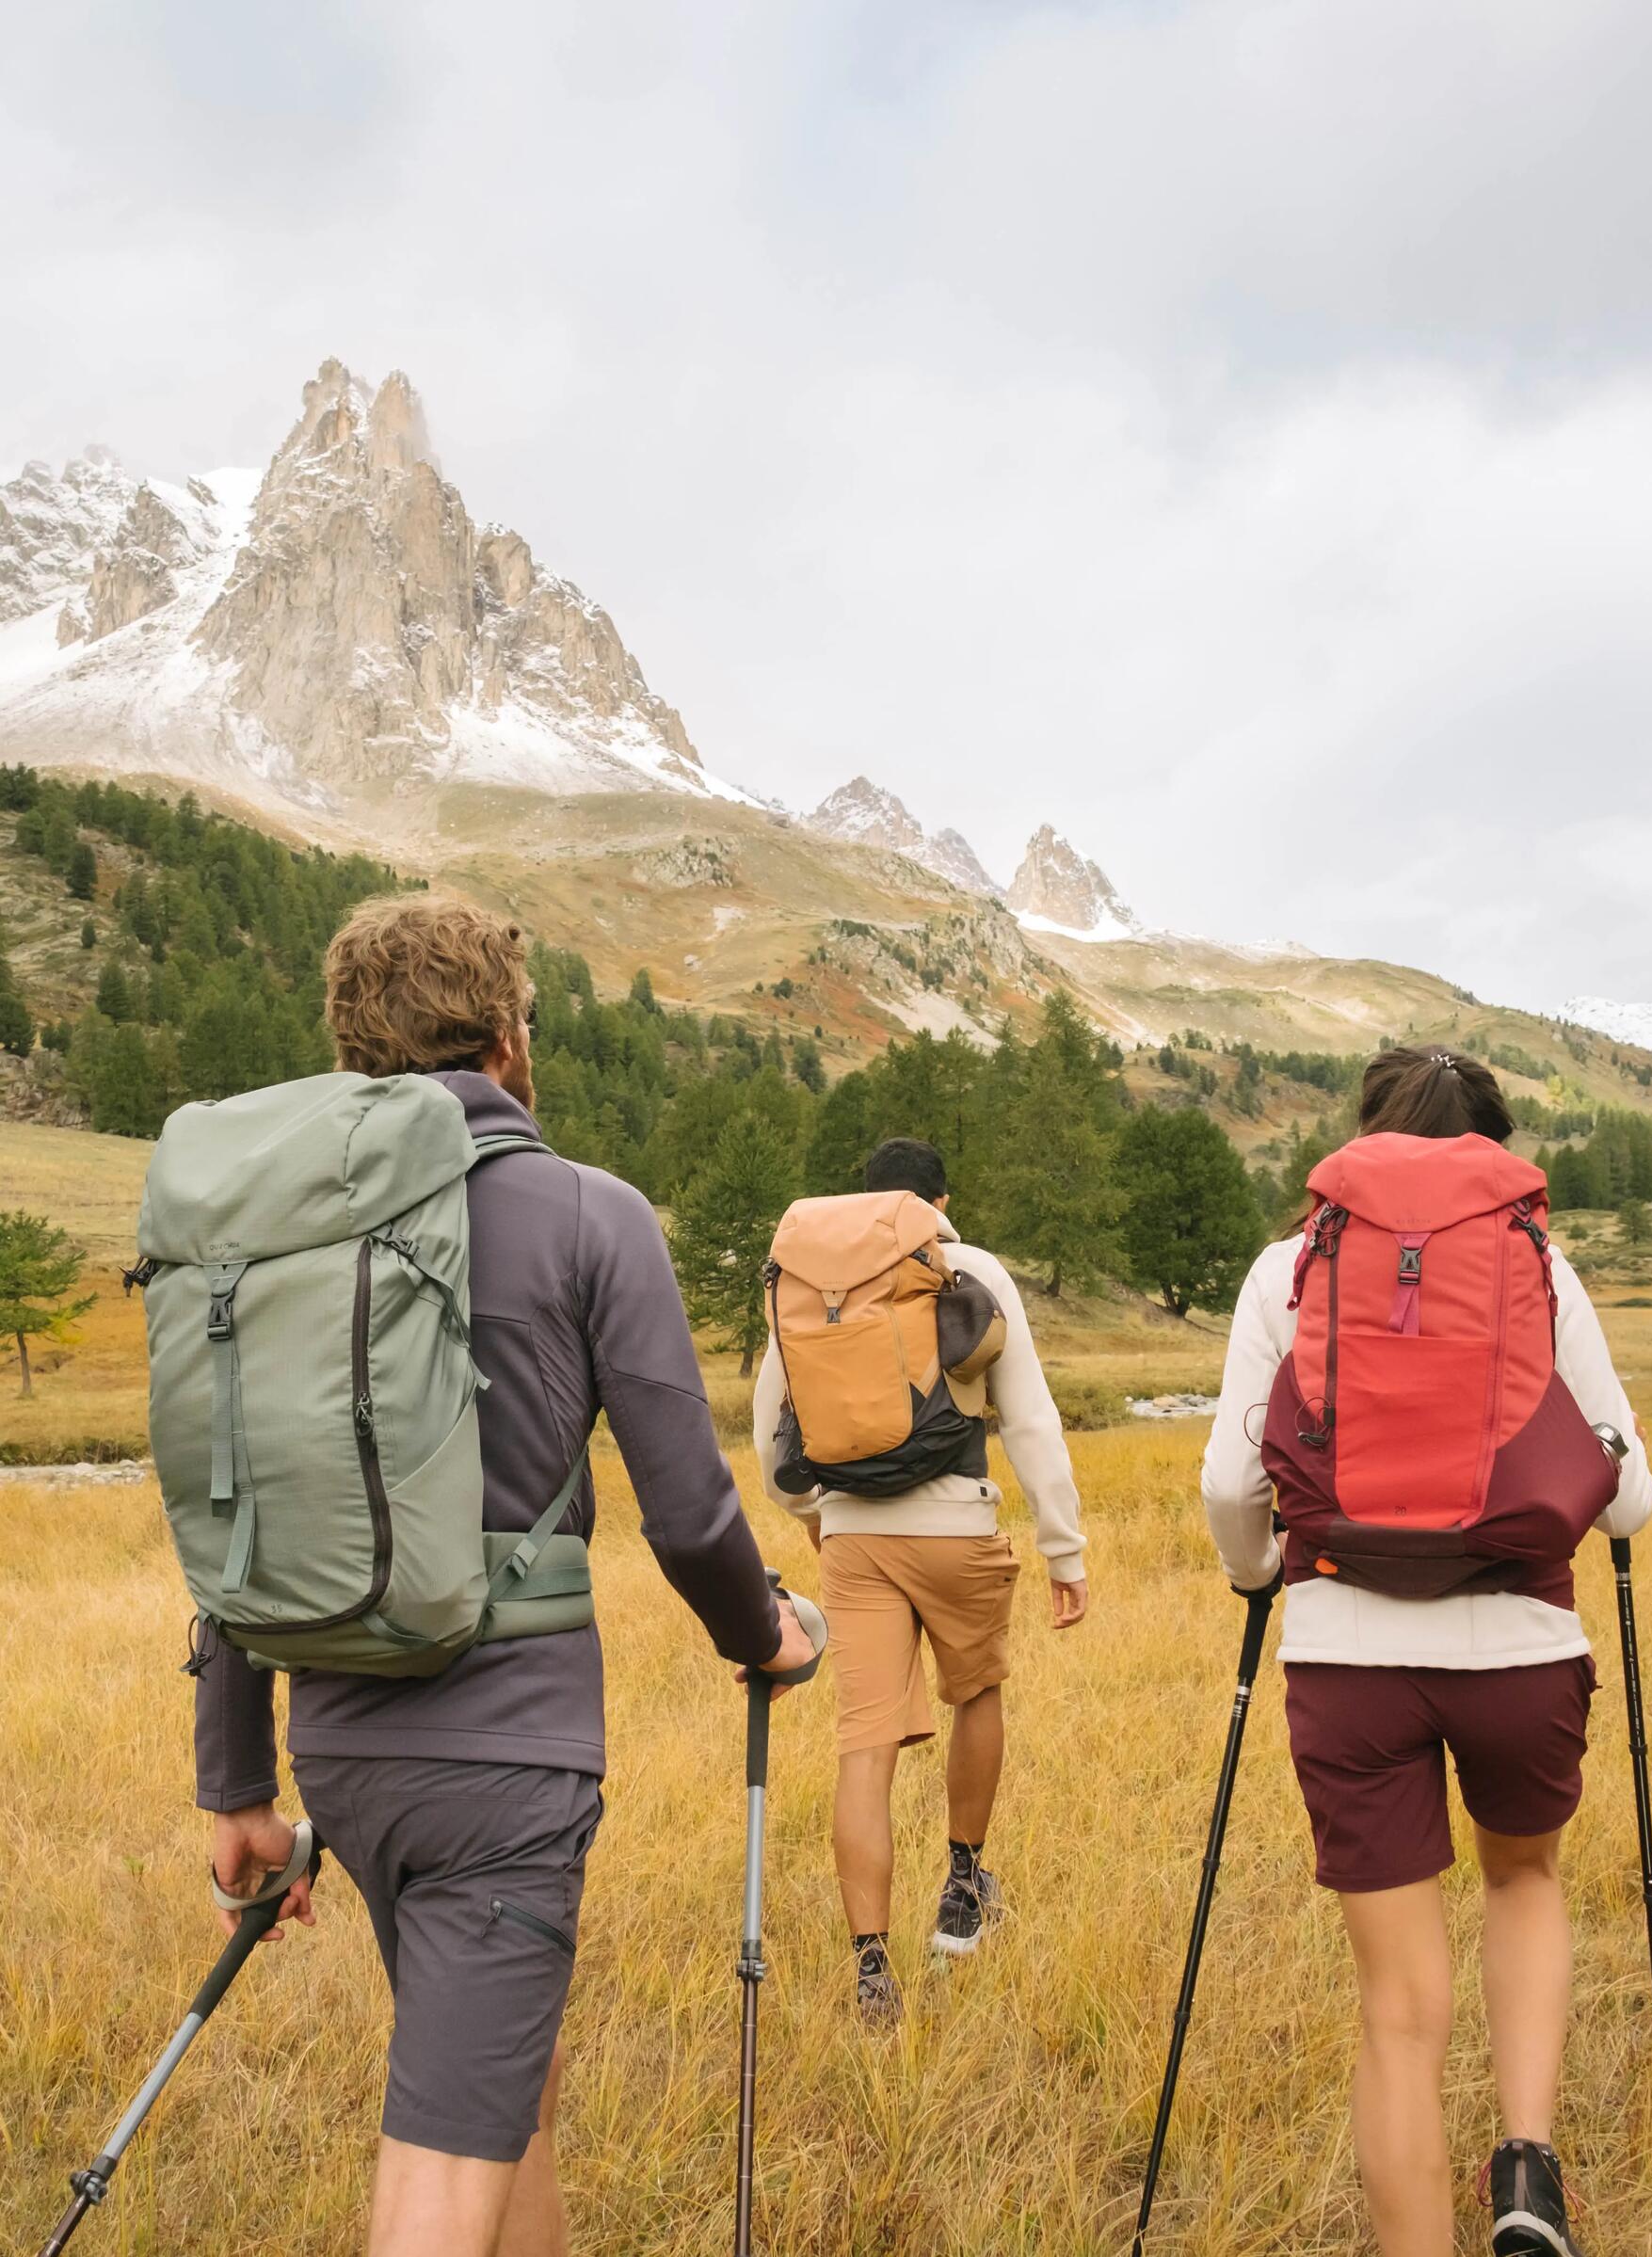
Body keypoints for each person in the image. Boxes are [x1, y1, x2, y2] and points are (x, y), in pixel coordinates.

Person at [195, 896, 816, 2257]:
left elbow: (247, 1514)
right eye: (528, 1022)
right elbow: (694, 1516)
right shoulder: (592, 1212)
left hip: (345, 1753)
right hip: (505, 1774)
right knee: (442, 2173)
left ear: (358, 1048)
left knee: (503, 2099)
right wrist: (769, 1631)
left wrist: (238, 1783)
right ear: (504, 1038)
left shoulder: (293, 1234)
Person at [1202, 1048, 1652, 2257]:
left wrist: (1259, 1577)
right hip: (1521, 1647)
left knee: (1397, 2013)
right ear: (1491, 1149)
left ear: (1364, 1140)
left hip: (1347, 1657)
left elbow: (1226, 1482)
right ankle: (1523, 2165)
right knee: (1524, 1880)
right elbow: (1632, 1495)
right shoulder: (1537, 1265)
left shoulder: (1286, 1268)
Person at [754, 1135, 1089, 2024]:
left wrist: (819, 1521)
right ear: (941, 1201)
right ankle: (963, 1887)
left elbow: (770, 1437)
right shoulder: (967, 1261)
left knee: (862, 1746)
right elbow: (1030, 1417)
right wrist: (1065, 1548)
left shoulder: (815, 1277)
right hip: (956, 1525)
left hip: (854, 1537)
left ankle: (871, 1968)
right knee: (975, 1694)